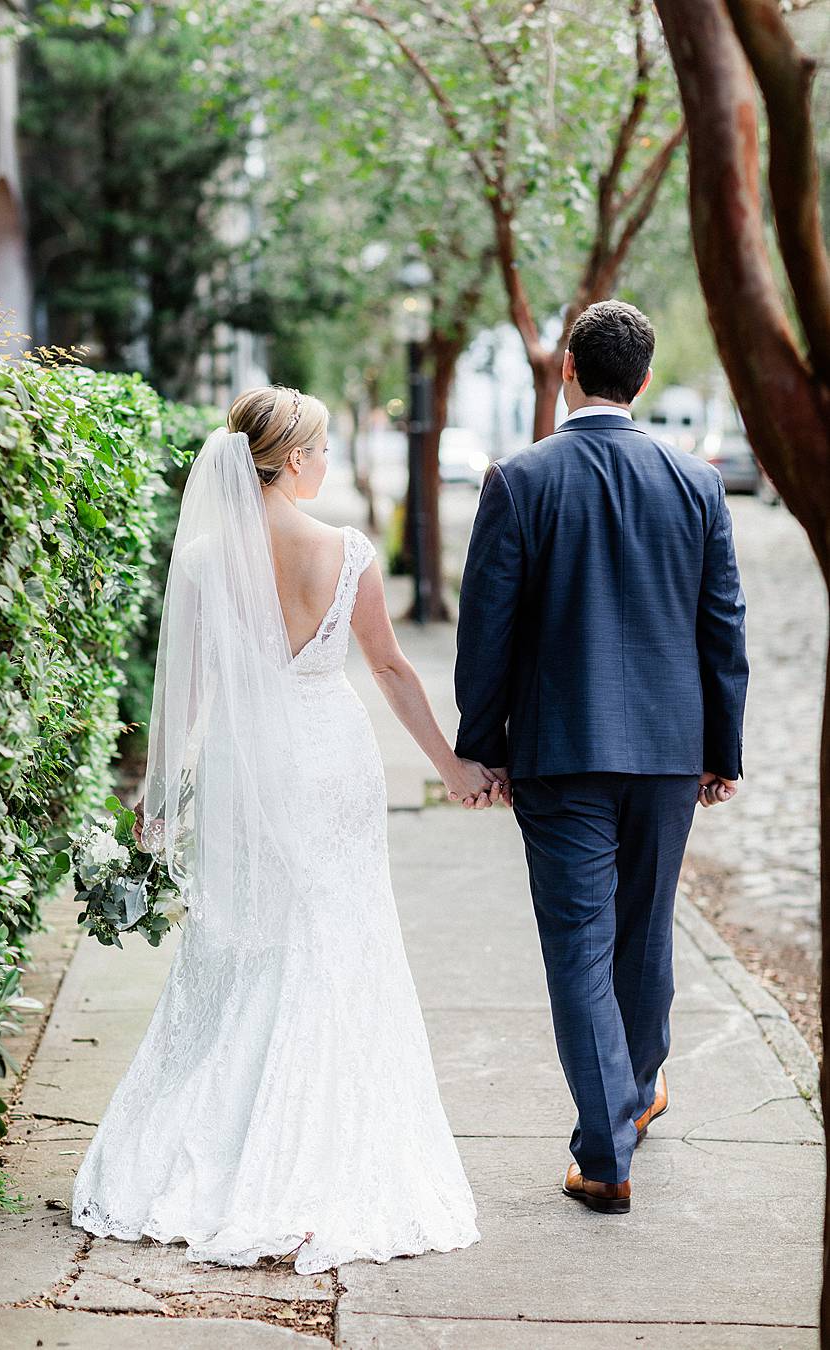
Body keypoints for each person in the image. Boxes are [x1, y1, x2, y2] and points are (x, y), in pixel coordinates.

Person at [72, 385, 494, 1272]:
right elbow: (390, 669)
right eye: (325, 448)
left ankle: (221, 1137)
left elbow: (181, 693)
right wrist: (451, 767)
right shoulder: (344, 554)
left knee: (245, 941)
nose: (330, 463)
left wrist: (157, 798)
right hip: (331, 762)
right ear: (293, 458)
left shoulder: (200, 560)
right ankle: (311, 1143)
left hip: (239, 765)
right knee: (337, 936)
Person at [454, 300, 748, 1214]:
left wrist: (480, 745)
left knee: (580, 947)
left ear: (568, 369)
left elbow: (485, 632)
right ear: (646, 382)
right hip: (667, 752)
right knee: (645, 929)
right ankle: (639, 1092)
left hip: (560, 751)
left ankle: (606, 1151)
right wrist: (720, 749)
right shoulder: (696, 484)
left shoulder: (520, 479)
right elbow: (723, 628)